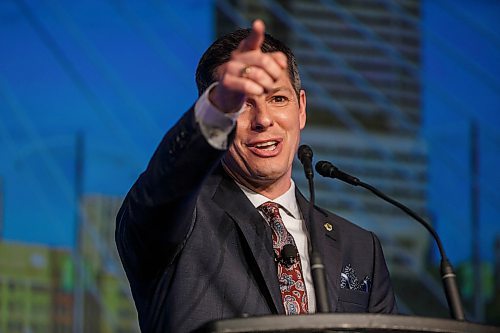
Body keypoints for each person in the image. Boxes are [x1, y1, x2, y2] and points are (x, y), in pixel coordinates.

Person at [116, 19, 397, 333]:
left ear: (301, 108)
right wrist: (216, 110)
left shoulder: (360, 248)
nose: (263, 119)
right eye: (241, 105)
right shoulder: (179, 220)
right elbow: (163, 185)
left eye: (278, 99)